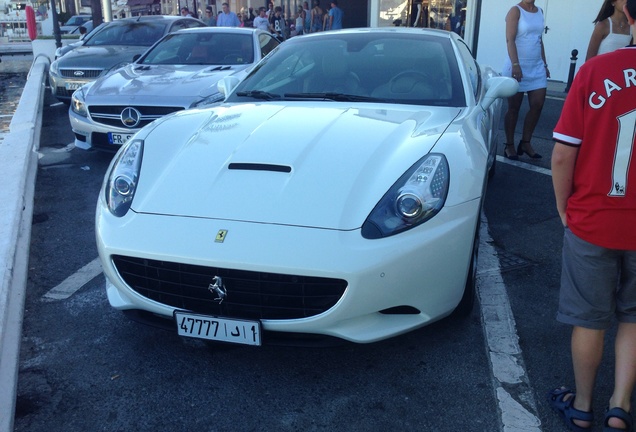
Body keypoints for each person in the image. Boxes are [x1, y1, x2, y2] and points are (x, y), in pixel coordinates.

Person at [547, 0, 636, 431]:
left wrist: (563, 206)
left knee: (589, 318)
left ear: (630, 17)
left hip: (594, 218)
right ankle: (619, 406)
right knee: (634, 315)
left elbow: (563, 154)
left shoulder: (597, 71)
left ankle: (582, 406)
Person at [502, 0, 550, 160]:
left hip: (536, 67)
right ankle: (509, 145)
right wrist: (515, 64)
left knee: (538, 105)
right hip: (517, 65)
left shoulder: (540, 11)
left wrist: (544, 63)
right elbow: (510, 40)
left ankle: (526, 142)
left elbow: (539, 40)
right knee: (513, 108)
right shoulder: (515, 11)